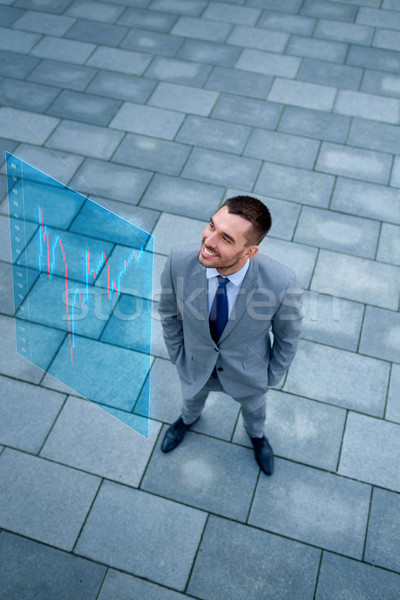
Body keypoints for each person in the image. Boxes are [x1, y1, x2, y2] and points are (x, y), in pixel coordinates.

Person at [158, 196, 303, 475]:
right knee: (191, 400)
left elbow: (288, 338)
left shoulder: (282, 283)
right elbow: (167, 312)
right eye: (211, 226)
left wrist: (271, 377)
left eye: (225, 238)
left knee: (255, 411)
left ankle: (257, 437)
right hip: (196, 364)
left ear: (249, 252)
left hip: (249, 373)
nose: (209, 241)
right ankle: (187, 420)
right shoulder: (179, 260)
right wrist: (178, 356)